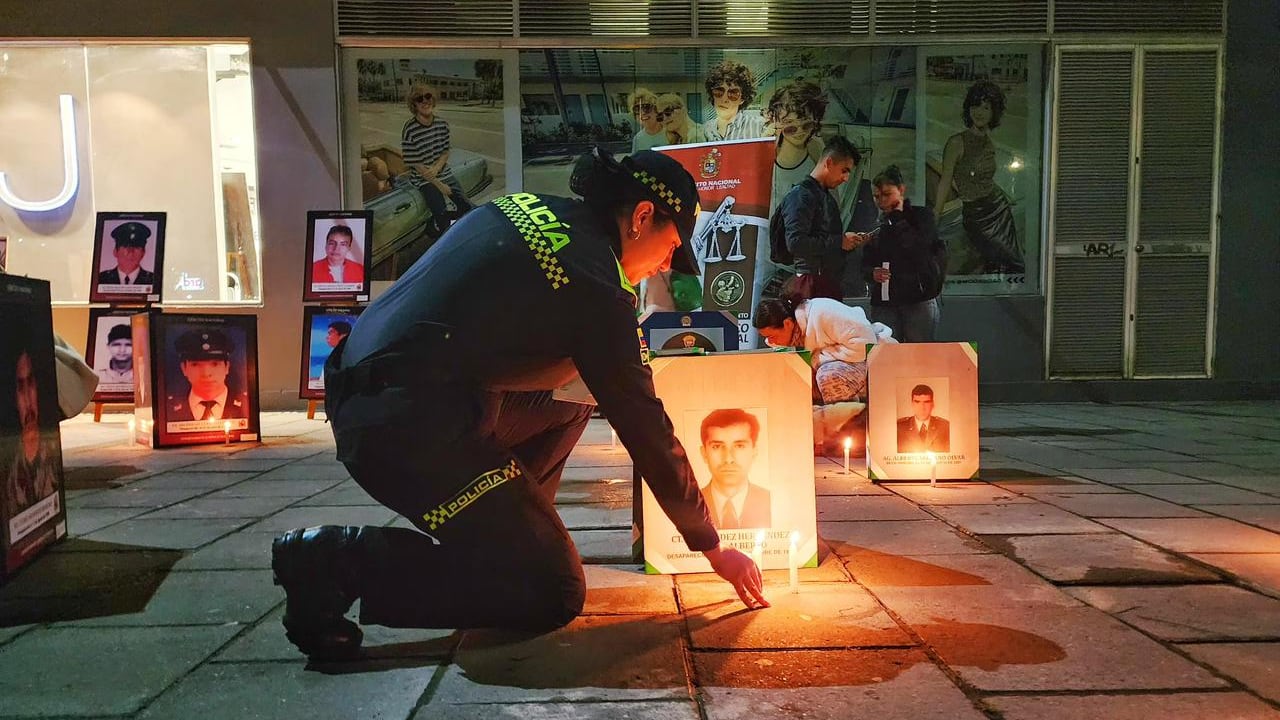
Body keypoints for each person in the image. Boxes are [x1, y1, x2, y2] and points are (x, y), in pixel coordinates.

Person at [271, 148, 768, 662]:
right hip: (402, 428)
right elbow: (644, 423)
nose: (666, 265)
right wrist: (709, 542)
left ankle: (512, 531)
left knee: (575, 394)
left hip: (372, 391)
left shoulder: (522, 205)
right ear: (642, 216)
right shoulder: (596, 285)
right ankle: (334, 561)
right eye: (671, 248)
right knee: (552, 591)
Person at [933, 80, 1024, 275]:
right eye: (976, 105)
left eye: (986, 107)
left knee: (1011, 263)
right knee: (1004, 257)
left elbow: (985, 179)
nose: (980, 112)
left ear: (994, 113)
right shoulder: (956, 143)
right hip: (976, 215)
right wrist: (936, 215)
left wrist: (1006, 196)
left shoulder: (987, 143)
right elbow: (945, 180)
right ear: (968, 108)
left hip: (999, 208)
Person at [753, 294, 895, 405]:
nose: (769, 342)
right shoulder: (778, 340)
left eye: (772, 336)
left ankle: (847, 425)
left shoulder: (823, 312)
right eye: (766, 338)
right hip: (840, 358)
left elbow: (864, 344)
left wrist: (816, 359)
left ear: (788, 323)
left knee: (828, 376)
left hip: (872, 355)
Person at [860, 165, 946, 342]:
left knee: (920, 356)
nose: (881, 201)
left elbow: (922, 250)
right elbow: (864, 263)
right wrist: (871, 273)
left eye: (886, 194)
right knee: (887, 356)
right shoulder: (876, 226)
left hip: (919, 297)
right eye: (876, 196)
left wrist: (898, 219)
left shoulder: (922, 216)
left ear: (901, 190)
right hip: (885, 301)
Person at [777, 135, 867, 301]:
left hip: (824, 283)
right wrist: (839, 242)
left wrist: (845, 244)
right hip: (810, 284)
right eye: (844, 170)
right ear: (829, 162)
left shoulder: (823, 197)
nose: (846, 178)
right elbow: (795, 242)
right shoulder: (800, 196)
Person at [402, 81, 473, 237]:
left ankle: (461, 231)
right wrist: (440, 185)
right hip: (424, 179)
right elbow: (417, 165)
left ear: (433, 99)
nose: (425, 101)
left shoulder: (442, 124)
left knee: (467, 207)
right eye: (419, 99)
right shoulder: (409, 129)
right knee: (441, 214)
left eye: (428, 97)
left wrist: (436, 169)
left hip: (442, 172)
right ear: (414, 104)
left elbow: (445, 151)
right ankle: (443, 237)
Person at [697, 408, 771, 530]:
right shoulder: (688, 505)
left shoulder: (772, 502)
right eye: (717, 446)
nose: (728, 458)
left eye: (739, 446)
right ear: (704, 453)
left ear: (754, 451)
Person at [6, 350, 59, 515]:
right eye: (20, 387)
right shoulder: (9, 471)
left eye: (31, 383)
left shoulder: (51, 456)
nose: (28, 399)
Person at [167, 329, 248, 421]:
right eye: (195, 364)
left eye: (214, 364)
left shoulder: (246, 404)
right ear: (184, 368)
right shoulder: (168, 408)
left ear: (227, 367)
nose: (206, 374)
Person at [701, 60, 766, 142]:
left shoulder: (758, 128)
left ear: (742, 99)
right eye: (719, 92)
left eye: (733, 93)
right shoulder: (704, 130)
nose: (724, 99)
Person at [97, 222, 156, 286]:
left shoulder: (152, 280)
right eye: (125, 246)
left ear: (143, 252)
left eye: (136, 247)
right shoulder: (102, 279)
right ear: (115, 252)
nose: (130, 252)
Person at [897, 384, 950, 452]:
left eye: (926, 402)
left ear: (932, 404)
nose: (922, 407)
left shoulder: (945, 427)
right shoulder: (899, 428)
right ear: (912, 404)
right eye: (917, 402)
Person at [629, 88, 666, 152]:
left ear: (657, 110)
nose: (642, 113)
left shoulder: (671, 133)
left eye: (646, 107)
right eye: (637, 109)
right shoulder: (638, 139)